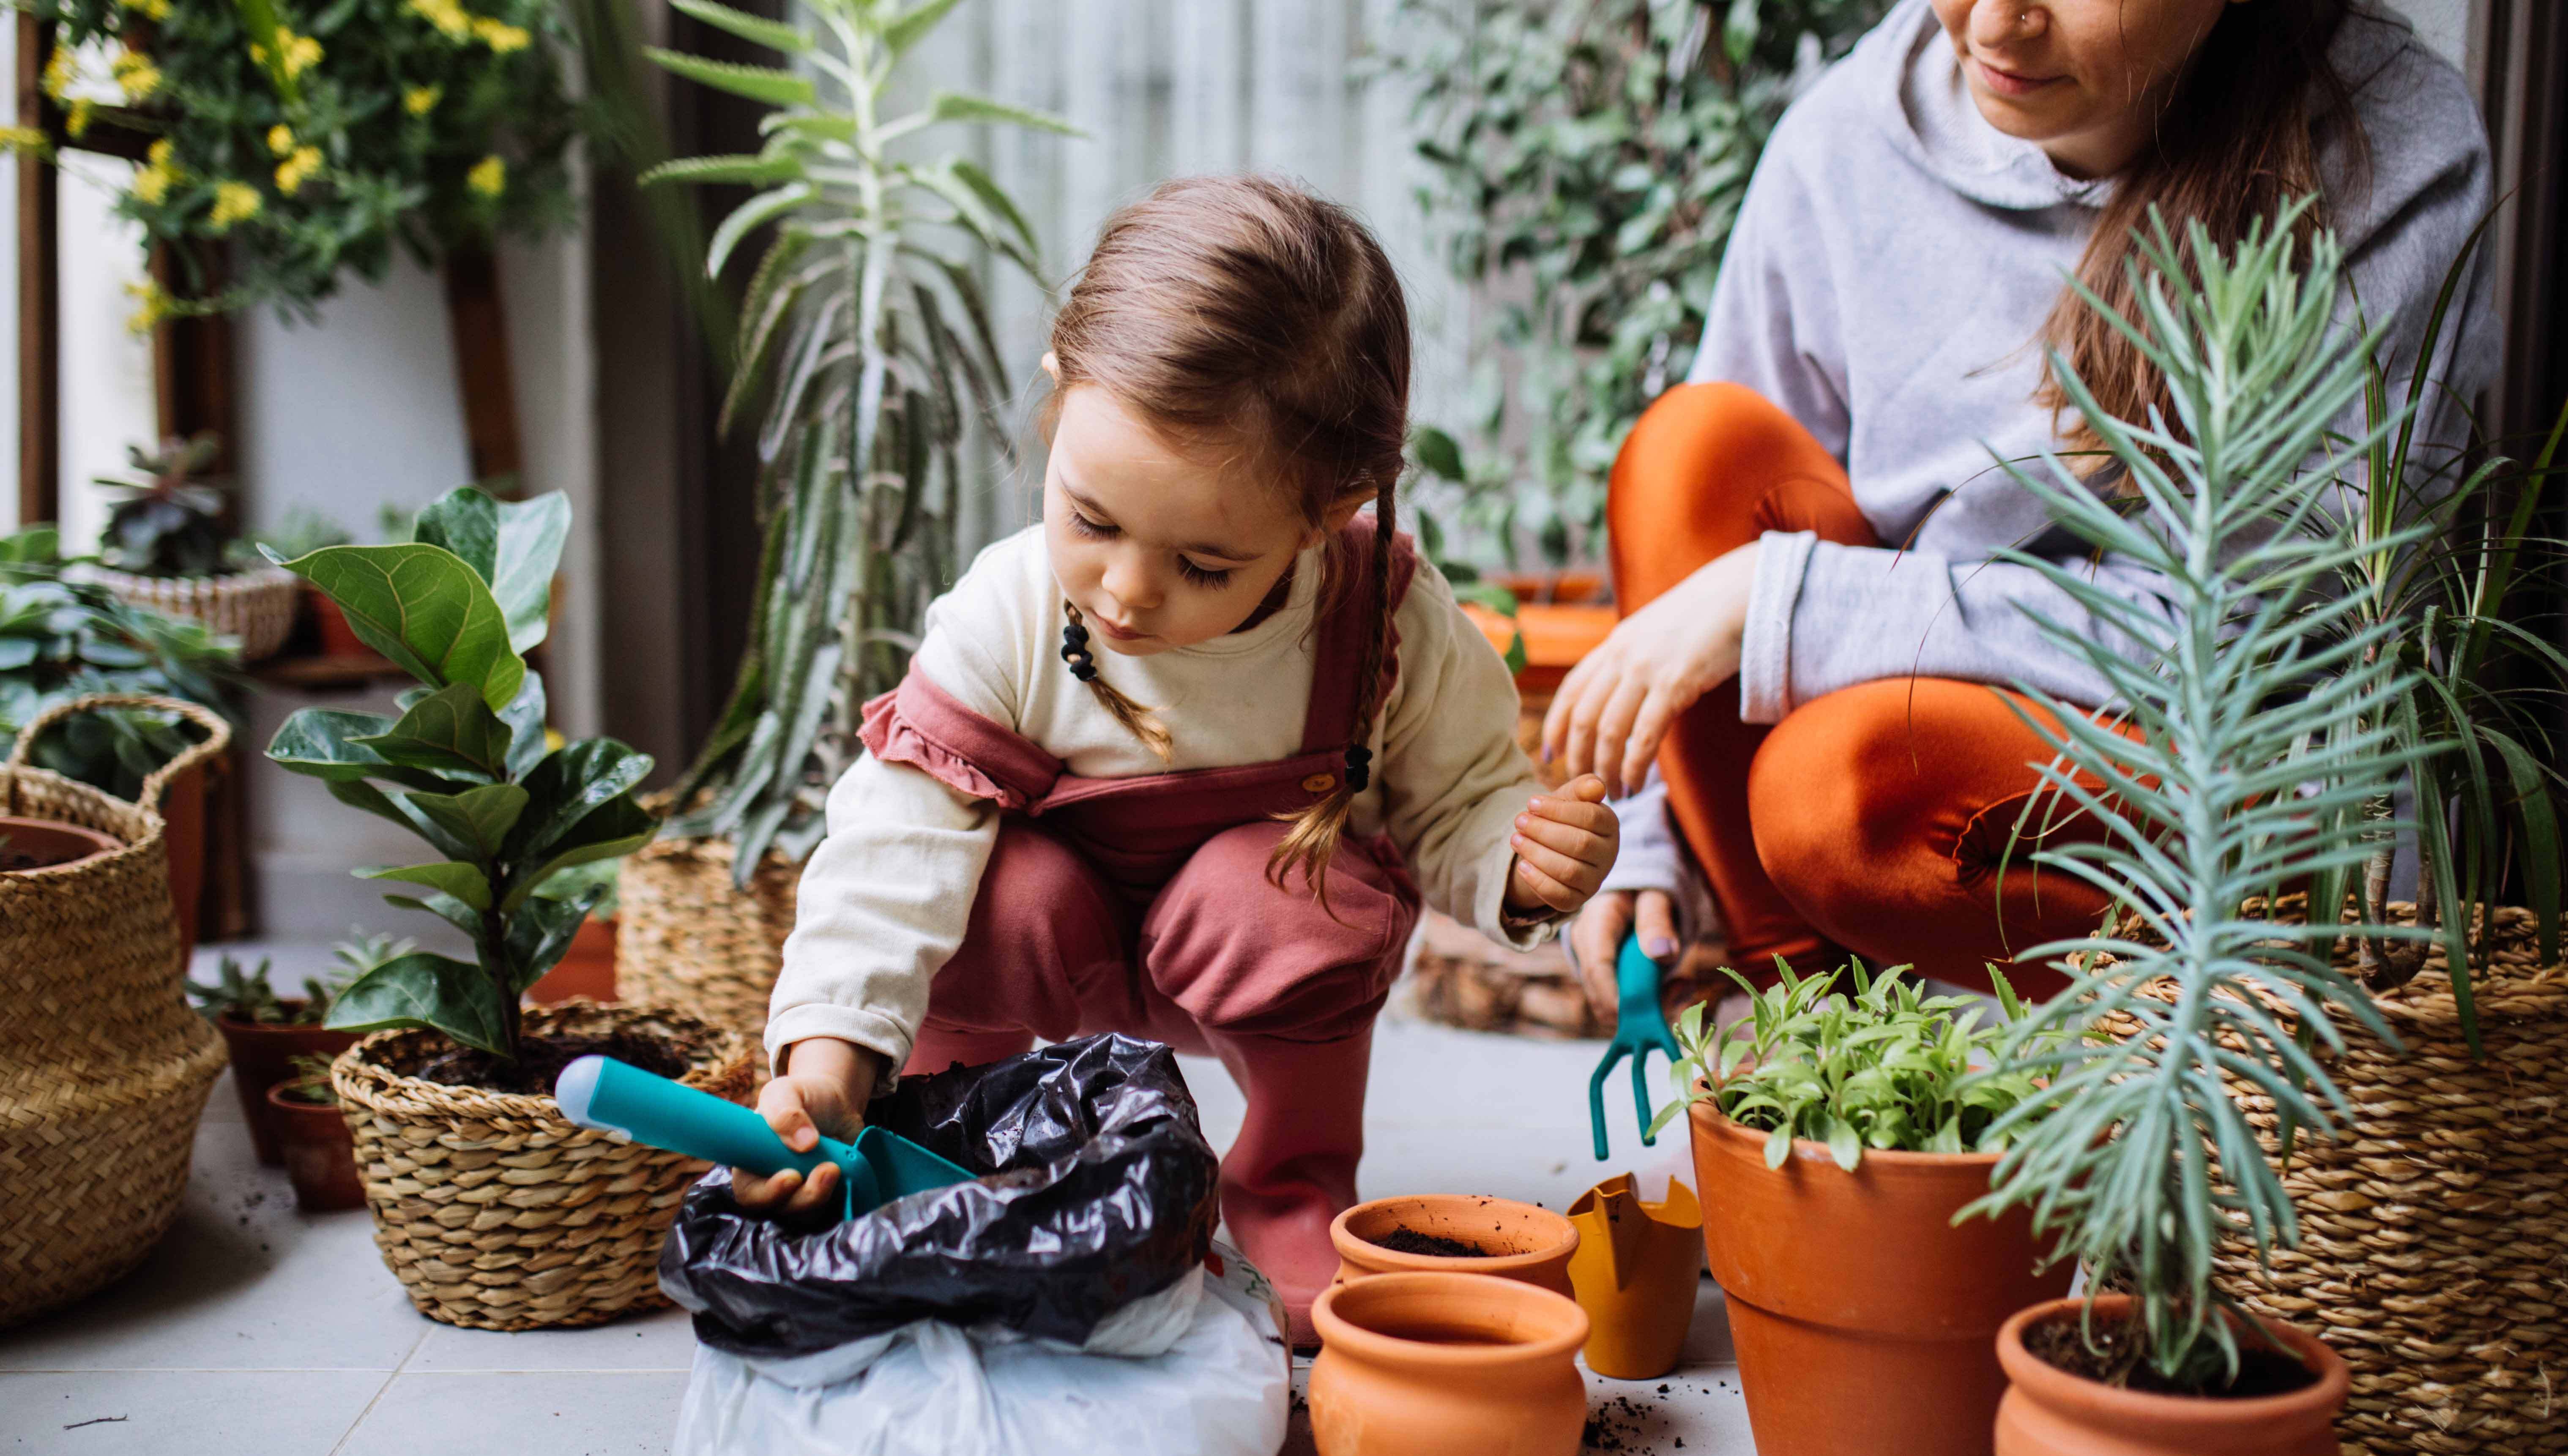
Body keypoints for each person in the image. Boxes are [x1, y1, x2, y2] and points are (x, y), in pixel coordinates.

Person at [738, 175, 1622, 1341]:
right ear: (1058, 406)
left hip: (1249, 956)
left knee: (1291, 888)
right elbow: (890, 853)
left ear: (1326, 513)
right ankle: (939, 1163)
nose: (1126, 590)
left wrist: (1519, 863)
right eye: (1090, 520)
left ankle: (1287, 1193)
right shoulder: (1004, 615)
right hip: (1050, 945)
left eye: (1204, 565)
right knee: (985, 892)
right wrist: (826, 1059)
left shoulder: (1379, 621)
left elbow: (1461, 797)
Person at [1557, 0, 2496, 1017]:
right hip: (1936, 697)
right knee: (1687, 454)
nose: (1997, 23)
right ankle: (1811, 1030)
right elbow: (1704, 544)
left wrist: (1792, 603)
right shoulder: (1854, 131)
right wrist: (1640, 832)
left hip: (2234, 776)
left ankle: (2164, 1059)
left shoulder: (2385, 152)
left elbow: (2250, 642)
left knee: (1837, 792)